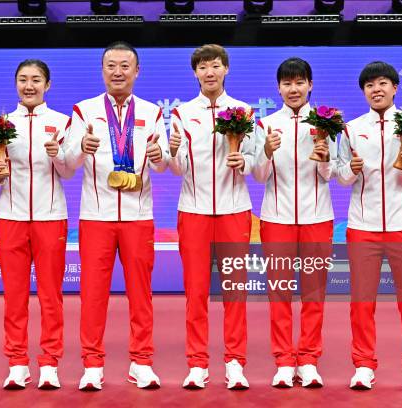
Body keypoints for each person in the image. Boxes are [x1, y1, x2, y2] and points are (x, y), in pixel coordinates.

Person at [65, 41, 169, 391]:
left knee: (141, 293)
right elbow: (66, 164)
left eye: (125, 66)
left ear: (137, 71)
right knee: (93, 293)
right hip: (96, 216)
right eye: (111, 65)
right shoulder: (83, 111)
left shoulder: (153, 112)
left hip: (139, 216)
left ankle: (141, 362)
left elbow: (165, 162)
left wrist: (159, 154)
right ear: (102, 70)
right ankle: (92, 364)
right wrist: (80, 149)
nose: (118, 72)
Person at [337, 61, 402, 392]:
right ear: (363, 91)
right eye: (369, 85)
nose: (376, 89)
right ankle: (364, 366)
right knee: (361, 301)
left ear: (395, 88)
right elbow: (340, 174)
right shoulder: (351, 129)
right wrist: (350, 170)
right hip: (362, 226)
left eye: (382, 83)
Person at [168, 44, 255, 390]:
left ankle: (235, 363)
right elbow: (178, 169)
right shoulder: (181, 113)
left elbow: (256, 163)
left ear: (226, 70)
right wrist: (173, 153)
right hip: (194, 211)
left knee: (235, 291)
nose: (209, 72)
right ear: (195, 73)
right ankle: (197, 364)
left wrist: (244, 162)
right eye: (203, 67)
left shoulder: (244, 111)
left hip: (235, 211)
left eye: (215, 66)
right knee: (196, 292)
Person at [0, 59, 74, 390]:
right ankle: (17, 363)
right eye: (23, 79)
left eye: (36, 80)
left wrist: (57, 155)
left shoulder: (62, 122)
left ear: (47, 85)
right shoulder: (0, 124)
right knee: (14, 294)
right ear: (15, 85)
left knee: (51, 294)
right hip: (9, 216)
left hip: (51, 216)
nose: (29, 85)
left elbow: (68, 171)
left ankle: (50, 363)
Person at [252, 57, 335, 388]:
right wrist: (267, 152)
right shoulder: (266, 125)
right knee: (280, 292)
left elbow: (333, 174)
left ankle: (310, 360)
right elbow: (258, 176)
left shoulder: (326, 123)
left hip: (318, 217)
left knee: (314, 293)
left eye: (299, 82)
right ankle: (285, 360)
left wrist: (326, 155)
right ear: (278, 88)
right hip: (276, 219)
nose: (293, 89)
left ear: (310, 85)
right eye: (287, 83)